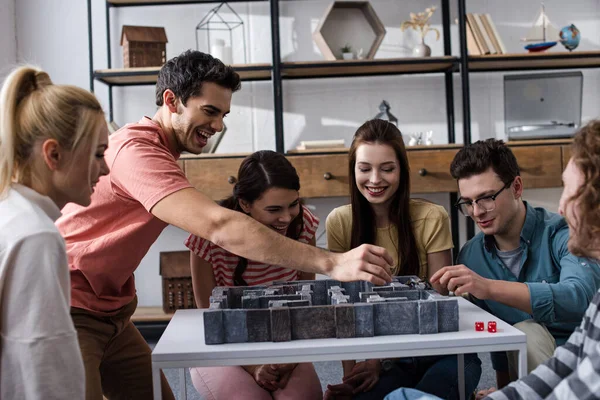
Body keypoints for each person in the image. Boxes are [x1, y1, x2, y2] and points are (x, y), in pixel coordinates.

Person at [56, 50, 392, 400]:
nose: (218, 126)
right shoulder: (137, 151)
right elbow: (217, 226)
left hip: (113, 312)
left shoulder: (163, 153)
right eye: (210, 111)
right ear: (172, 101)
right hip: (71, 307)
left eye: (223, 115)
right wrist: (333, 262)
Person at [384, 120, 600, 400]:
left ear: (517, 187)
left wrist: (488, 287)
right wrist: (503, 389)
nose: (477, 211)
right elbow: (498, 338)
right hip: (541, 377)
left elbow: (578, 296)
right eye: (468, 202)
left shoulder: (560, 234)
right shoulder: (472, 255)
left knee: (528, 331)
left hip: (571, 368)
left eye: (486, 198)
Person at [324, 119, 481, 400]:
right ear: (353, 171)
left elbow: (438, 307)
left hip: (440, 350)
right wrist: (352, 375)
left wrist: (380, 360)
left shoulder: (432, 217)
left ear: (402, 171)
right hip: (382, 362)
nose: (375, 180)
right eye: (364, 169)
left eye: (387, 169)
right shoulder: (339, 222)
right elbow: (344, 313)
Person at [0, 65, 109, 399]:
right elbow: (41, 366)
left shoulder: (12, 213)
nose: (105, 169)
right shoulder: (36, 236)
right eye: (98, 154)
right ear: (54, 154)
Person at [185, 150, 322, 400]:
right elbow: (209, 319)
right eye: (273, 209)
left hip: (283, 341)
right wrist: (252, 366)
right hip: (222, 345)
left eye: (293, 204)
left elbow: (305, 305)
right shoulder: (207, 239)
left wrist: (290, 360)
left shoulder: (302, 224)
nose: (286, 217)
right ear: (245, 204)